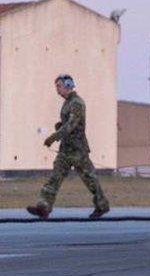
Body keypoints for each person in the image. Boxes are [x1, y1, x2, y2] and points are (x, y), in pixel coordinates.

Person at [26, 75, 109, 220]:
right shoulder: (67, 103)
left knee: (90, 179)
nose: (57, 90)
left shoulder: (77, 103)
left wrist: (53, 137)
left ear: (68, 85)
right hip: (66, 149)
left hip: (78, 150)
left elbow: (71, 125)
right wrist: (60, 126)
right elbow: (67, 124)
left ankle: (102, 206)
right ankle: (43, 207)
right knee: (55, 178)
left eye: (59, 86)